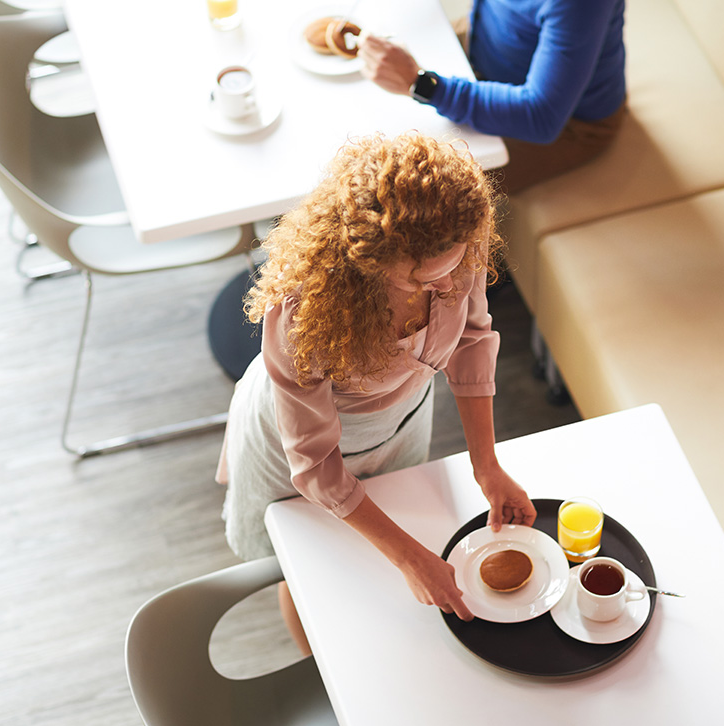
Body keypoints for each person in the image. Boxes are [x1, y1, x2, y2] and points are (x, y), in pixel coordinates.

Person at [216, 133, 537, 653]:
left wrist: (487, 465)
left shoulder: (455, 247)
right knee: (306, 570)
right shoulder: (301, 312)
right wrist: (410, 558)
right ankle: (322, 676)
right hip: (298, 448)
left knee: (392, 537)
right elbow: (317, 466)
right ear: (371, 259)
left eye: (455, 267)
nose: (447, 284)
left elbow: (474, 339)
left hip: (401, 422)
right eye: (421, 279)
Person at [359, 0, 627, 193]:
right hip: (484, 47)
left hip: (570, 124)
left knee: (411, 193)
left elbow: (542, 116)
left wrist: (422, 84)